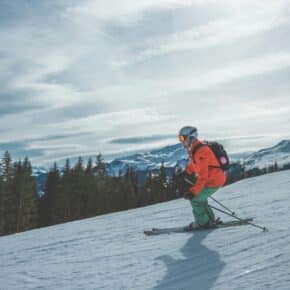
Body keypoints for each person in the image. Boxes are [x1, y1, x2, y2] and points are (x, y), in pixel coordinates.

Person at [178, 126, 227, 228]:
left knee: (195, 200)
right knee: (201, 200)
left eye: (183, 138)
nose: (181, 142)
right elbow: (195, 164)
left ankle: (203, 223)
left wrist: (193, 192)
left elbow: (202, 177)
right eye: (180, 139)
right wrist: (187, 172)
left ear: (191, 137)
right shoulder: (196, 149)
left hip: (214, 180)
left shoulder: (201, 151)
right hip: (212, 179)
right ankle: (210, 220)